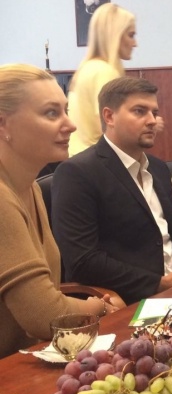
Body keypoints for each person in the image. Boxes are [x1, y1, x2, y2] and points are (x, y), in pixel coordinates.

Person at [52, 76, 172, 305]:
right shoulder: (78, 173)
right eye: (139, 111)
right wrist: (159, 283)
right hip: (129, 300)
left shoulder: (157, 167)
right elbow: (83, 261)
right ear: (109, 116)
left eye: (154, 112)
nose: (152, 121)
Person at [0, 64, 118, 358]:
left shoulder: (30, 186)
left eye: (65, 110)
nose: (71, 125)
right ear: (3, 124)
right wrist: (99, 306)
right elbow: (44, 315)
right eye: (51, 113)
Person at [67, 3, 153, 156]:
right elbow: (108, 127)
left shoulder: (87, 68)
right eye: (131, 35)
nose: (135, 43)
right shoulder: (105, 72)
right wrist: (145, 125)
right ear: (115, 36)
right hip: (97, 162)